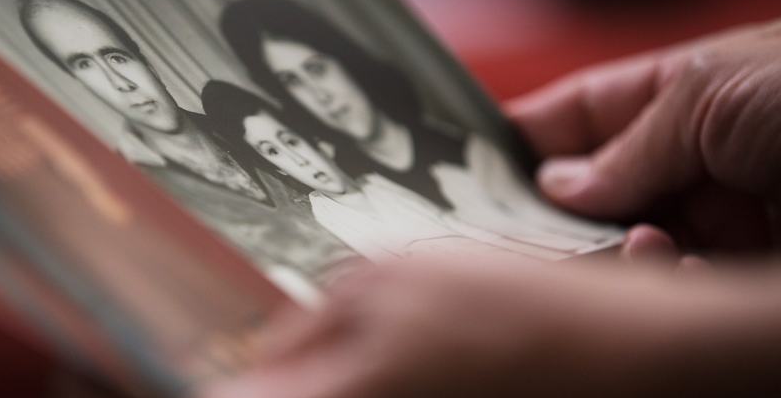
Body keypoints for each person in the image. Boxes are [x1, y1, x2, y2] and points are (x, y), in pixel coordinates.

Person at [52, 20, 781, 398]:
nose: (314, 105)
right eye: (81, 65)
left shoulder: (417, 177)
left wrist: (663, 369)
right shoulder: (136, 188)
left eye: (115, 54)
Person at [219, 0, 622, 253]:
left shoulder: (466, 150)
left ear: (346, 61)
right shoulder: (337, 183)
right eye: (292, 82)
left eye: (317, 68)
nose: (318, 95)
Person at [18, 0, 354, 288]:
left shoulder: (249, 123)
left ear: (145, 62)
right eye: (84, 65)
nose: (120, 82)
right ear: (78, 83)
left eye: (116, 57)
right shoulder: (128, 201)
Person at [202, 80, 567, 261]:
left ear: (314, 140)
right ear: (273, 167)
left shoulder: (377, 180)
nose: (298, 161)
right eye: (272, 152)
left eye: (291, 141)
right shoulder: (328, 219)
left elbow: (471, 229)